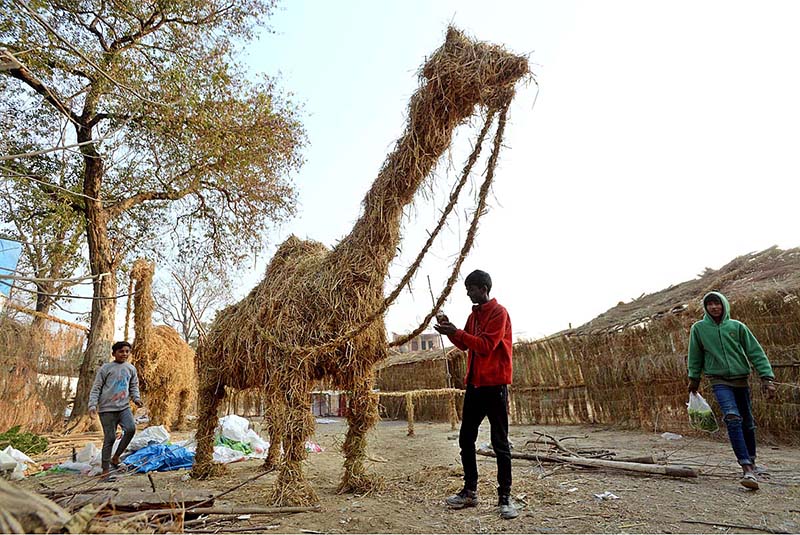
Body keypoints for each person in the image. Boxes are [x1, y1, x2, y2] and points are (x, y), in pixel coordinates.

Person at [434, 269, 517, 520]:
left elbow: (485, 347)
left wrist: (456, 333)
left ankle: (505, 497)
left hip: (495, 387)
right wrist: (451, 331)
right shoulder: (475, 315)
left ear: (483, 288)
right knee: (465, 440)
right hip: (475, 386)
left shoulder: (499, 313)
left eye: (470, 288)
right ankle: (470, 491)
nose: (468, 293)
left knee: (500, 443)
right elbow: (465, 344)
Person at [687, 291, 776, 490]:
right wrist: (694, 379)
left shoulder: (737, 327)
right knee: (732, 417)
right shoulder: (699, 329)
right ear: (705, 308)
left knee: (748, 423)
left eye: (717, 303)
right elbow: (695, 355)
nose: (714, 307)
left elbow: (755, 352)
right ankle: (746, 467)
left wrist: (767, 377)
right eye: (709, 304)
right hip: (719, 380)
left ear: (724, 305)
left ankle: (752, 461)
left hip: (741, 379)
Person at [88, 341, 143, 477]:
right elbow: (96, 388)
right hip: (107, 409)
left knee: (130, 429)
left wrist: (136, 398)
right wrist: (92, 405)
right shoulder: (106, 369)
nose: (124, 354)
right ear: (114, 353)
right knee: (110, 438)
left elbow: (133, 386)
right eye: (121, 351)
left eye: (126, 351)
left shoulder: (131, 369)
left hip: (124, 407)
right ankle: (105, 469)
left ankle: (116, 456)